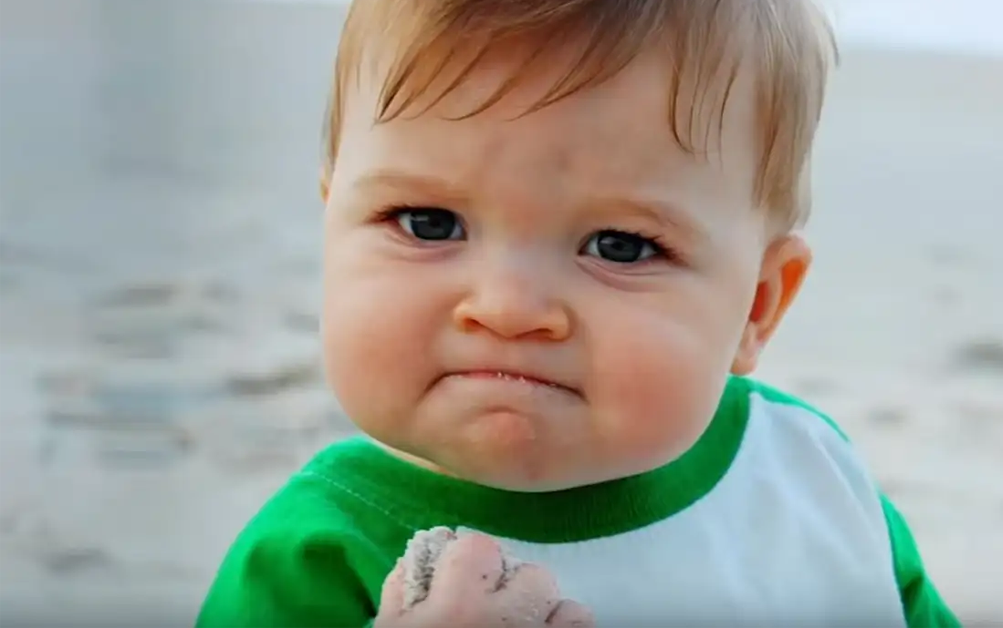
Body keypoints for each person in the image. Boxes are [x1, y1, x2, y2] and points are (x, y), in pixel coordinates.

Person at [196, 0, 960, 625]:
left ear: (757, 306)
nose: (508, 308)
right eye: (429, 223)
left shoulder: (811, 477)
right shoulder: (317, 560)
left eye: (621, 247)